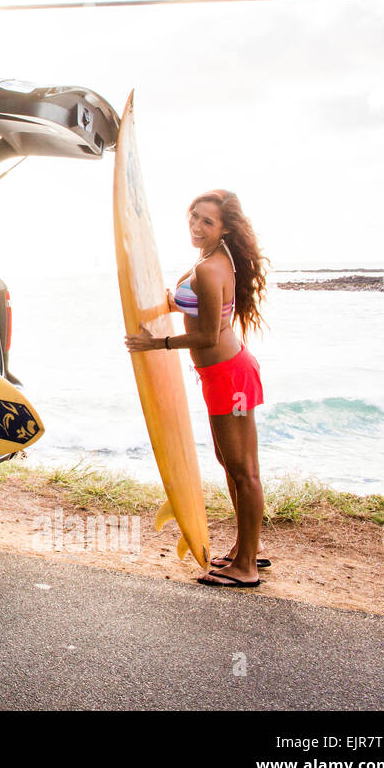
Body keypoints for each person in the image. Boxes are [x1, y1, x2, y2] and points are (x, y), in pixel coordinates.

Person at [126, 190, 269, 588]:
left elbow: (207, 335)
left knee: (244, 471)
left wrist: (156, 344)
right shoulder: (211, 260)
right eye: (194, 216)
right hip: (221, 373)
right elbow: (202, 310)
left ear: (224, 228)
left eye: (207, 221)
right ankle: (248, 549)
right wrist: (166, 305)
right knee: (232, 466)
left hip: (228, 374)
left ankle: (247, 567)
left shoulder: (210, 267)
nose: (197, 226)